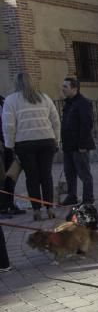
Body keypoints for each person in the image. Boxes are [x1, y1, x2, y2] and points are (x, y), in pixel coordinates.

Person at [2, 72, 60, 221]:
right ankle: (49, 208)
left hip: (25, 143)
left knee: (32, 177)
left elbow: (8, 125)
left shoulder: (11, 100)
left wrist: (10, 145)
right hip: (47, 140)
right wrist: (57, 141)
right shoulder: (44, 98)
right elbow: (55, 120)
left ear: (16, 83)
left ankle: (36, 210)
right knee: (46, 176)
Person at [60, 77, 95, 205]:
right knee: (69, 173)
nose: (62, 89)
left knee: (84, 173)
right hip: (68, 145)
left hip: (79, 145)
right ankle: (72, 196)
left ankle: (88, 198)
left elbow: (87, 124)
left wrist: (82, 144)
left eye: (65, 87)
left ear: (74, 88)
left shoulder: (83, 103)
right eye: (62, 86)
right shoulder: (68, 103)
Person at [0, 95, 25, 217]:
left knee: (10, 177)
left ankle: (9, 203)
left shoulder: (3, 101)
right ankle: (2, 207)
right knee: (0, 177)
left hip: (8, 144)